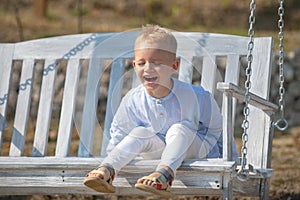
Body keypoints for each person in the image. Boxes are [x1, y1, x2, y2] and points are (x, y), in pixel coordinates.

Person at [84, 24, 236, 197]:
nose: (148, 68)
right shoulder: (133, 100)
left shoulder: (196, 96)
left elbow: (218, 129)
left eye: (156, 63)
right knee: (140, 132)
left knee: (178, 129)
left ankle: (165, 175)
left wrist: (232, 160)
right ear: (134, 65)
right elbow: (120, 132)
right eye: (142, 63)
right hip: (157, 151)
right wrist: (117, 156)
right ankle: (107, 171)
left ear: (174, 65)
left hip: (197, 150)